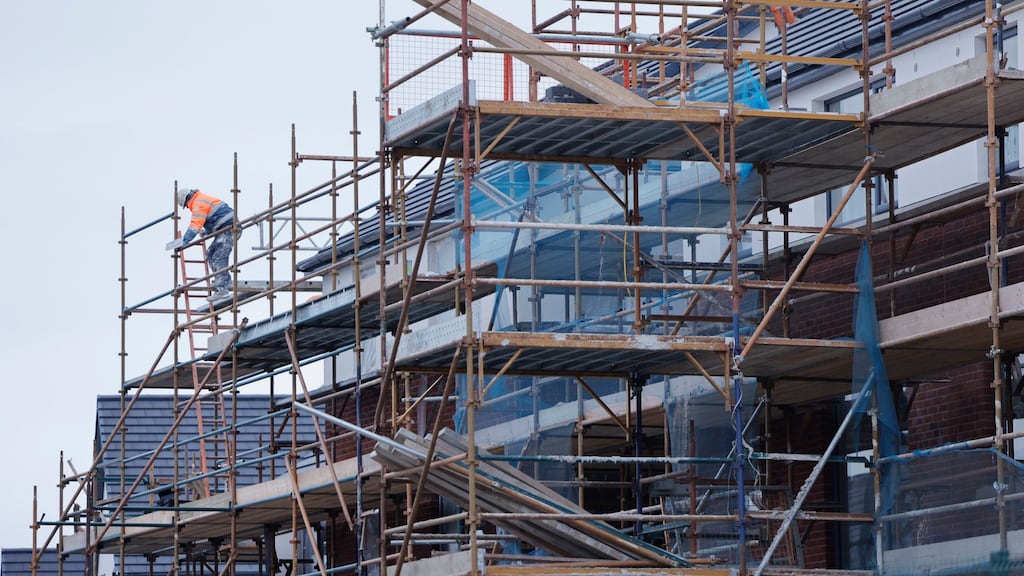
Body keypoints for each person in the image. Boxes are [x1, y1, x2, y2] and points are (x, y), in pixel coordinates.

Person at [165, 187, 240, 299]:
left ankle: (222, 288)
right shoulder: (200, 199)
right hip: (225, 227)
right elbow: (214, 217)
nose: (188, 208)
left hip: (230, 229)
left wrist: (185, 241)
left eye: (186, 206)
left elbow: (195, 225)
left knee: (218, 257)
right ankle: (222, 280)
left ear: (186, 201)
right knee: (210, 255)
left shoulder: (197, 203)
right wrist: (207, 231)